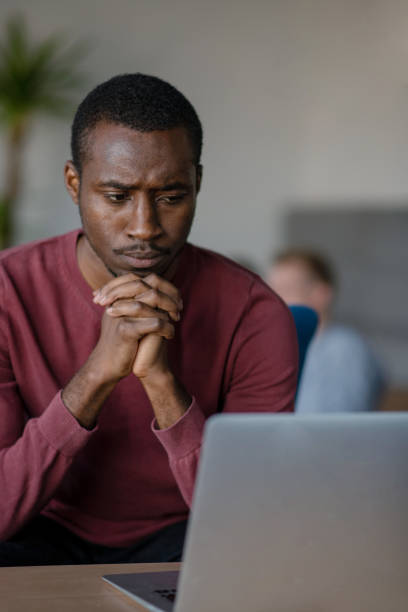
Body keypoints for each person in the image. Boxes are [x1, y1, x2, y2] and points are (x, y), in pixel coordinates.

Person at [0, 74, 298, 566]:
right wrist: (96, 376)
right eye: (117, 197)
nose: (144, 228)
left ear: (197, 183)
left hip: (188, 538)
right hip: (39, 531)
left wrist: (160, 383)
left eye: (171, 196)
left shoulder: (254, 312)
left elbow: (251, 520)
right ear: (74, 183)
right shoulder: (9, 293)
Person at [267, 248, 385, 413]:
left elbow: (333, 425)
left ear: (321, 294)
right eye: (271, 291)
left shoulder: (344, 348)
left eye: (286, 290)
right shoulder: (277, 349)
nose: (274, 301)